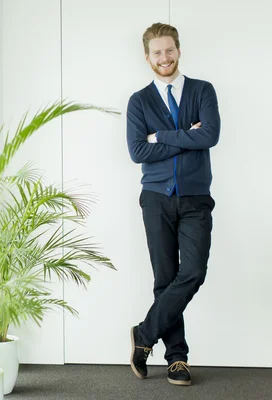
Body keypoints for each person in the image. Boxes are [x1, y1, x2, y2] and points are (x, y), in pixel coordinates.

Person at [125, 22, 221, 386]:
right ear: (147, 57)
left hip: (196, 199)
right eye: (156, 52)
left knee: (193, 272)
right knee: (164, 279)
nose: (163, 58)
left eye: (169, 50)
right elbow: (138, 151)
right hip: (156, 200)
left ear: (178, 50)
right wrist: (188, 136)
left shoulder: (202, 91)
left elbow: (210, 134)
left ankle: (144, 334)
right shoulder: (139, 101)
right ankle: (177, 359)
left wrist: (161, 136)